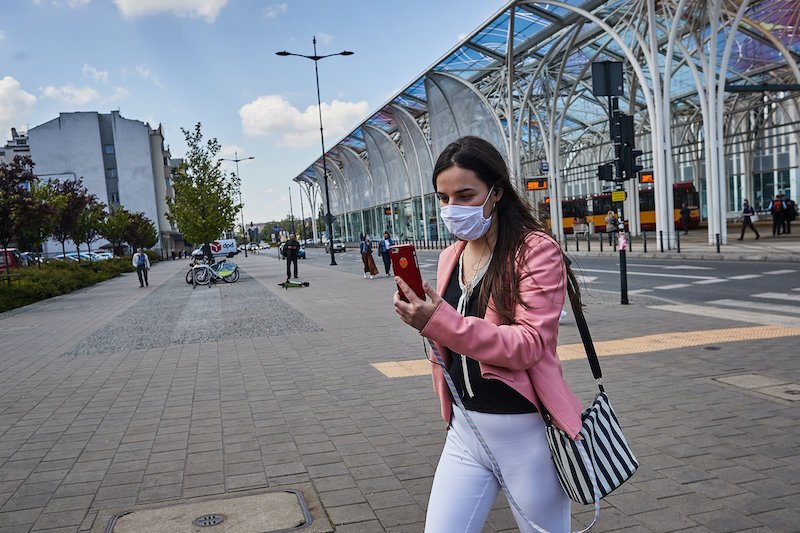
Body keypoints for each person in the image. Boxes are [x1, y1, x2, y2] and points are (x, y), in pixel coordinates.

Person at [393, 136, 583, 533]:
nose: (451, 209)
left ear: (496, 192)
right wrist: (424, 314)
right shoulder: (452, 255)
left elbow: (528, 345)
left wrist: (437, 321)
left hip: (525, 434)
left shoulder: (535, 250)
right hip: (465, 429)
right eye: (442, 198)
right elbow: (449, 338)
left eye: (464, 195)